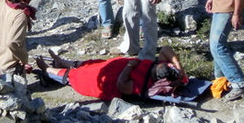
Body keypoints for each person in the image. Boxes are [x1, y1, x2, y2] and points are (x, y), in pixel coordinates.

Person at [36, 46, 186, 101]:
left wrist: (129, 66)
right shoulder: (170, 71)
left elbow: (121, 85)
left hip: (113, 80)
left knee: (82, 76)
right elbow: (166, 49)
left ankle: (49, 69)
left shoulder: (143, 85)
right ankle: (64, 62)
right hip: (117, 66)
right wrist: (179, 67)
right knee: (97, 63)